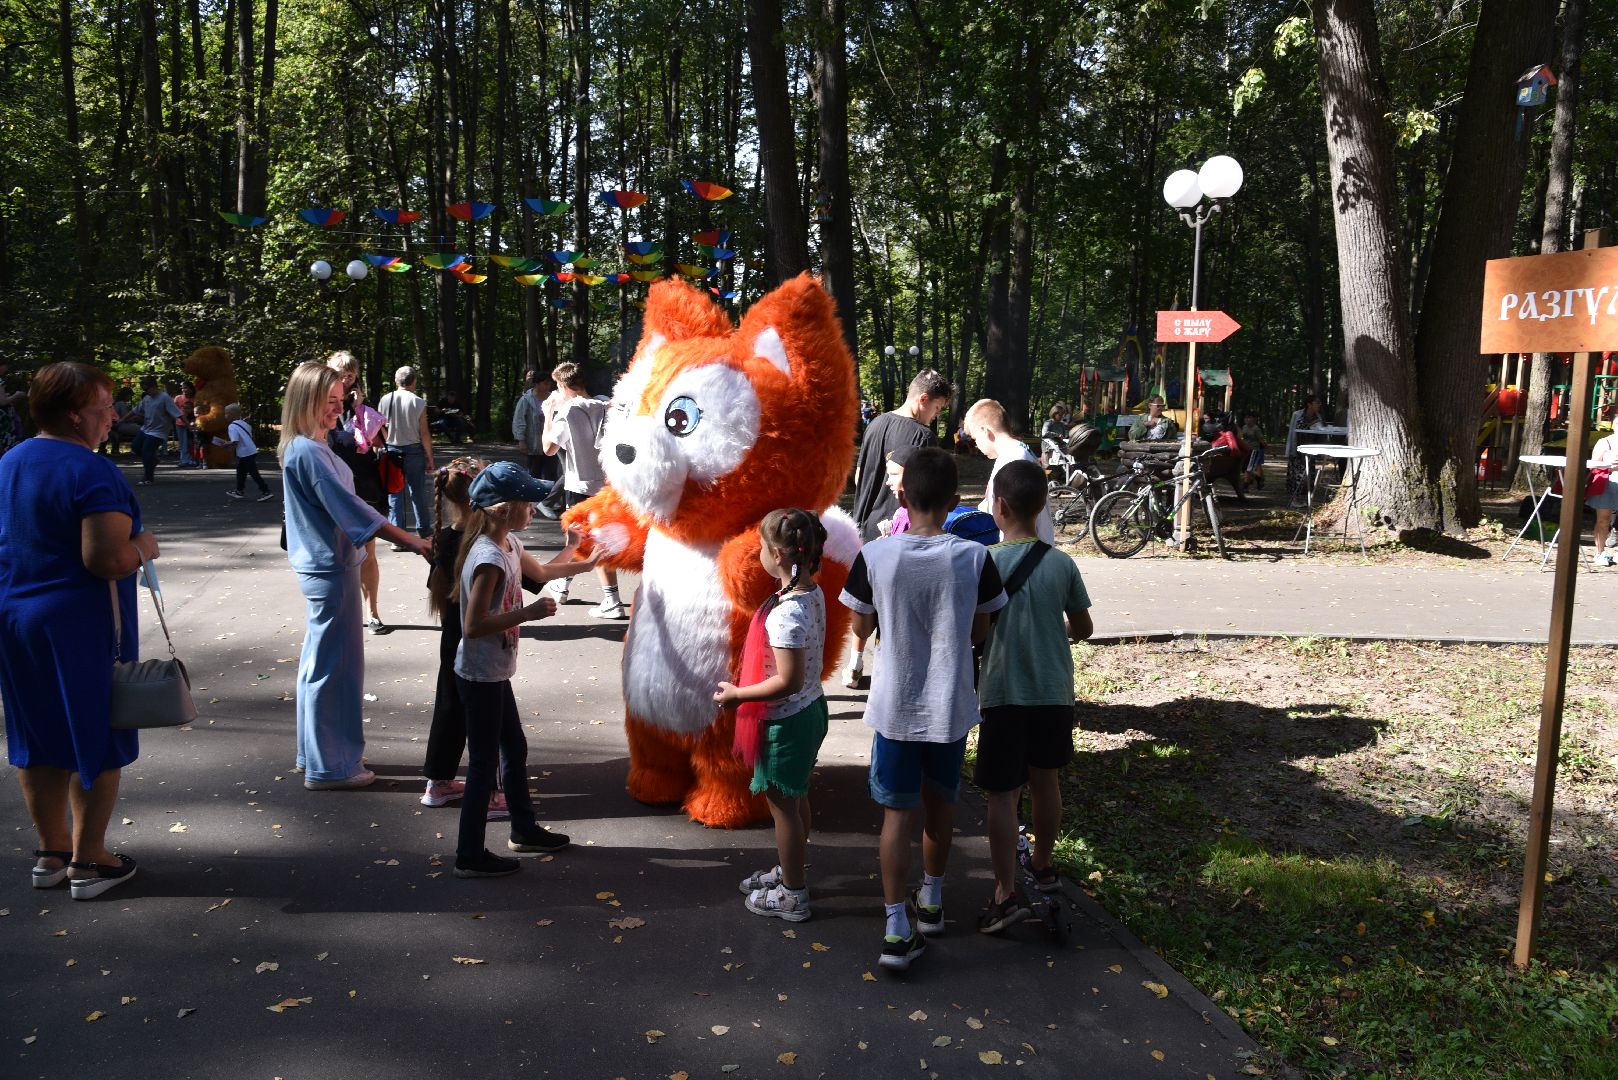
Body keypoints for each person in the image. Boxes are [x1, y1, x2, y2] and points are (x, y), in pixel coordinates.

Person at [838, 447, 1007, 971]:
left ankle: (895, 925)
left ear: (901, 494)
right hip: (950, 705)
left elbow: (860, 628)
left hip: (895, 707)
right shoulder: (976, 558)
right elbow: (981, 629)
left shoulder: (875, 554)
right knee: (940, 807)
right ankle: (931, 901)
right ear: (957, 501)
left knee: (896, 815)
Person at [0, 362, 160, 899]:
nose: (113, 416)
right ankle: (90, 861)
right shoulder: (92, 471)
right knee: (98, 733)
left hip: (17, 618)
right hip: (81, 626)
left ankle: (51, 851)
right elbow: (107, 560)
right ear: (75, 415)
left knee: (38, 734)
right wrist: (145, 547)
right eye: (104, 407)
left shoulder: (10, 462)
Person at [279, 363, 431, 791]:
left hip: (323, 562)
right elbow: (352, 509)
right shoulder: (309, 451)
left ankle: (315, 753)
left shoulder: (305, 445)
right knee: (336, 667)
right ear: (306, 402)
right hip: (330, 564)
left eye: (340, 400)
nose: (338, 408)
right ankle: (332, 765)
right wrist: (413, 539)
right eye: (329, 402)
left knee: (319, 662)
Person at [452, 461, 595, 877]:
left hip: (494, 670)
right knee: (483, 763)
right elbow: (473, 625)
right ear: (501, 510)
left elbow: (543, 572)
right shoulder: (488, 558)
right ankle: (469, 854)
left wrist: (581, 557)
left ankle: (524, 829)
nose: (534, 509)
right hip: (479, 674)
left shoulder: (509, 543)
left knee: (512, 749)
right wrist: (528, 614)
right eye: (528, 503)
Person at [973, 460, 1093, 933]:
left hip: (1004, 693)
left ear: (998, 508)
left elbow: (974, 631)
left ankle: (1005, 889)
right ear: (1042, 506)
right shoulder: (1063, 563)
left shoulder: (986, 563)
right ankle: (1041, 861)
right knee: (1047, 781)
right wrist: (1053, 625)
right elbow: (1082, 628)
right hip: (1053, 692)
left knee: (1002, 796)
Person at [715, 509, 831, 923]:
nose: (759, 554)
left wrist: (738, 695)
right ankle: (791, 867)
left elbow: (788, 680)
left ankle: (793, 894)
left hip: (788, 720)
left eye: (763, 547)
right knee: (795, 796)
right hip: (809, 711)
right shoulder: (809, 592)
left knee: (782, 805)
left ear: (779, 554)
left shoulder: (786, 613)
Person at [844, 369, 953, 687]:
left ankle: (854, 662)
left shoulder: (875, 423)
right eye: (938, 409)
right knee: (892, 604)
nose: (936, 416)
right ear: (923, 399)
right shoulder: (922, 437)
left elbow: (858, 476)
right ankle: (886, 667)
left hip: (865, 523)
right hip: (899, 528)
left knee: (864, 599)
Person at [541, 361, 625, 618]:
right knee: (582, 538)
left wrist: (548, 414)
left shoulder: (567, 413)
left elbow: (548, 448)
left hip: (579, 486)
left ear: (563, 386)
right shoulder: (605, 404)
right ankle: (562, 585)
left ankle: (612, 601)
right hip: (607, 486)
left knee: (587, 540)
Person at [327, 354, 391, 631]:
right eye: (341, 374)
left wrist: (361, 407)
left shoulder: (362, 409)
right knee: (337, 554)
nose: (346, 379)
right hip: (331, 488)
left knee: (367, 553)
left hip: (364, 487)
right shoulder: (320, 408)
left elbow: (381, 442)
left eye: (350, 375)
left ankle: (372, 613)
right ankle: (341, 611)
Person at [964, 398, 1054, 544]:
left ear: (986, 431)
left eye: (975, 439)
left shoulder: (1014, 459)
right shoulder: (1014, 454)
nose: (976, 446)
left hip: (1023, 554)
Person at [377, 365, 435, 539]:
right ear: (414, 382)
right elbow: (424, 432)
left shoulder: (385, 400)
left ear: (396, 381)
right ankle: (424, 531)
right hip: (414, 451)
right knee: (417, 492)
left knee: (394, 493)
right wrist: (429, 457)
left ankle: (398, 536)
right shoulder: (418, 402)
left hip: (392, 450)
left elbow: (379, 427)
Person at [511, 369, 561, 508]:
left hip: (551, 441)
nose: (548, 386)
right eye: (545, 383)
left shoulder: (554, 398)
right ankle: (532, 499)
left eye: (549, 383)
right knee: (534, 472)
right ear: (537, 384)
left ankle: (549, 500)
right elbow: (519, 420)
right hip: (533, 441)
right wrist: (521, 440)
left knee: (551, 471)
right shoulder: (526, 400)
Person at [214, 403, 274, 502]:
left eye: (226, 414)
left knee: (253, 473)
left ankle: (266, 491)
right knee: (241, 471)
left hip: (245, 453)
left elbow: (235, 441)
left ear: (232, 414)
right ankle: (239, 491)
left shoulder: (232, 426)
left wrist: (225, 444)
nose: (225, 416)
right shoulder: (245, 424)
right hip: (251, 450)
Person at [130, 375, 180, 486]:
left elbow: (178, 413)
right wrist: (122, 420)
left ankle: (148, 478)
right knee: (135, 447)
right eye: (144, 390)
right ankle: (154, 460)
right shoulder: (147, 398)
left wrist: (188, 425)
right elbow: (135, 411)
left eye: (147, 389)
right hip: (146, 428)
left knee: (146, 453)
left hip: (158, 431)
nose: (146, 392)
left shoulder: (164, 397)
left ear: (154, 387)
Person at [1285, 395, 1329, 507]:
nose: (1319, 404)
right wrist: (1290, 450)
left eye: (1319, 402)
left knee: (1309, 476)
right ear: (1309, 404)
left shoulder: (1318, 416)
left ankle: (1302, 499)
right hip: (1298, 450)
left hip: (1311, 451)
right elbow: (1292, 433)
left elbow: (1322, 432)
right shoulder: (1297, 414)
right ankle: (1294, 500)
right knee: (1297, 475)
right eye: (1316, 402)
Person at [1588, 424, 1618, 568]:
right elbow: (1592, 464)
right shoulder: (1604, 442)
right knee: (1603, 520)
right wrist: (1608, 464)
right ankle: (1600, 553)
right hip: (1608, 482)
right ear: (1613, 425)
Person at [0, 360, 27, 457]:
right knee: (4, 442)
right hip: (2, 419)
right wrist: (16, 395)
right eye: (5, 366)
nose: (6, 369)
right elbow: (2, 402)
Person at [1238, 410, 1267, 488]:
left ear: (1254, 419)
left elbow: (1262, 441)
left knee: (1249, 467)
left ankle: (1245, 485)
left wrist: (1263, 449)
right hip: (1245, 450)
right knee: (1244, 468)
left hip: (1254, 450)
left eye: (1249, 418)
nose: (1247, 419)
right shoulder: (1244, 427)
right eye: (1246, 418)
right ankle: (1258, 478)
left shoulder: (1256, 429)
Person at [174, 381, 199, 468]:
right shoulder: (178, 398)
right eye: (183, 388)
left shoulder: (195, 398)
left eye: (186, 387)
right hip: (180, 423)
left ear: (191, 389)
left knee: (192, 442)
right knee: (183, 442)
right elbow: (174, 409)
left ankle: (194, 459)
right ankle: (184, 460)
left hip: (192, 423)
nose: (184, 389)